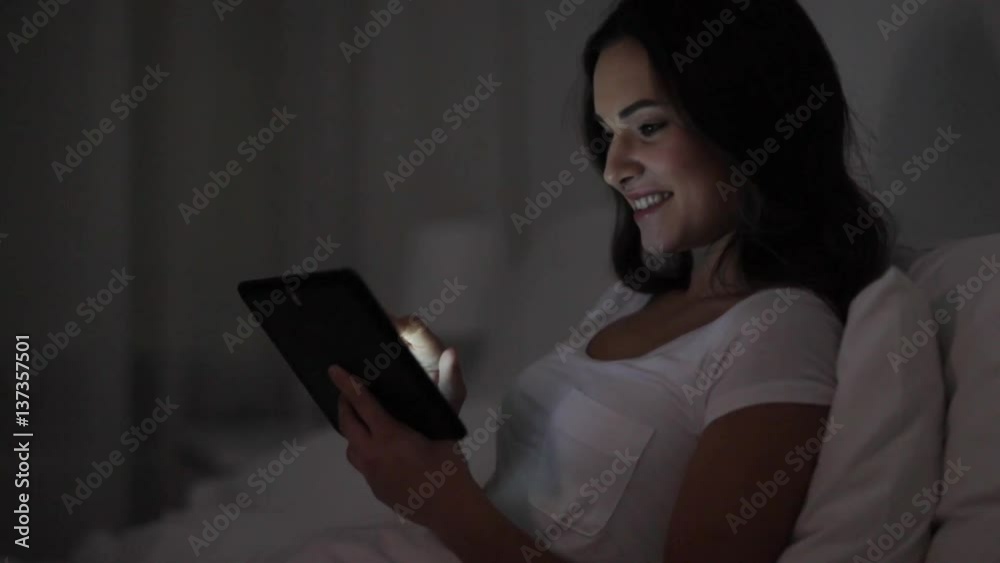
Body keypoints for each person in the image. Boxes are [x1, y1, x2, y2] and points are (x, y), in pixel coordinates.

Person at [315, 0, 893, 561]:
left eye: (647, 125)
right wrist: (432, 415)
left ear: (750, 123)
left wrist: (443, 501)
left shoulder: (780, 329)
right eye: (608, 132)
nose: (615, 167)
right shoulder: (634, 298)